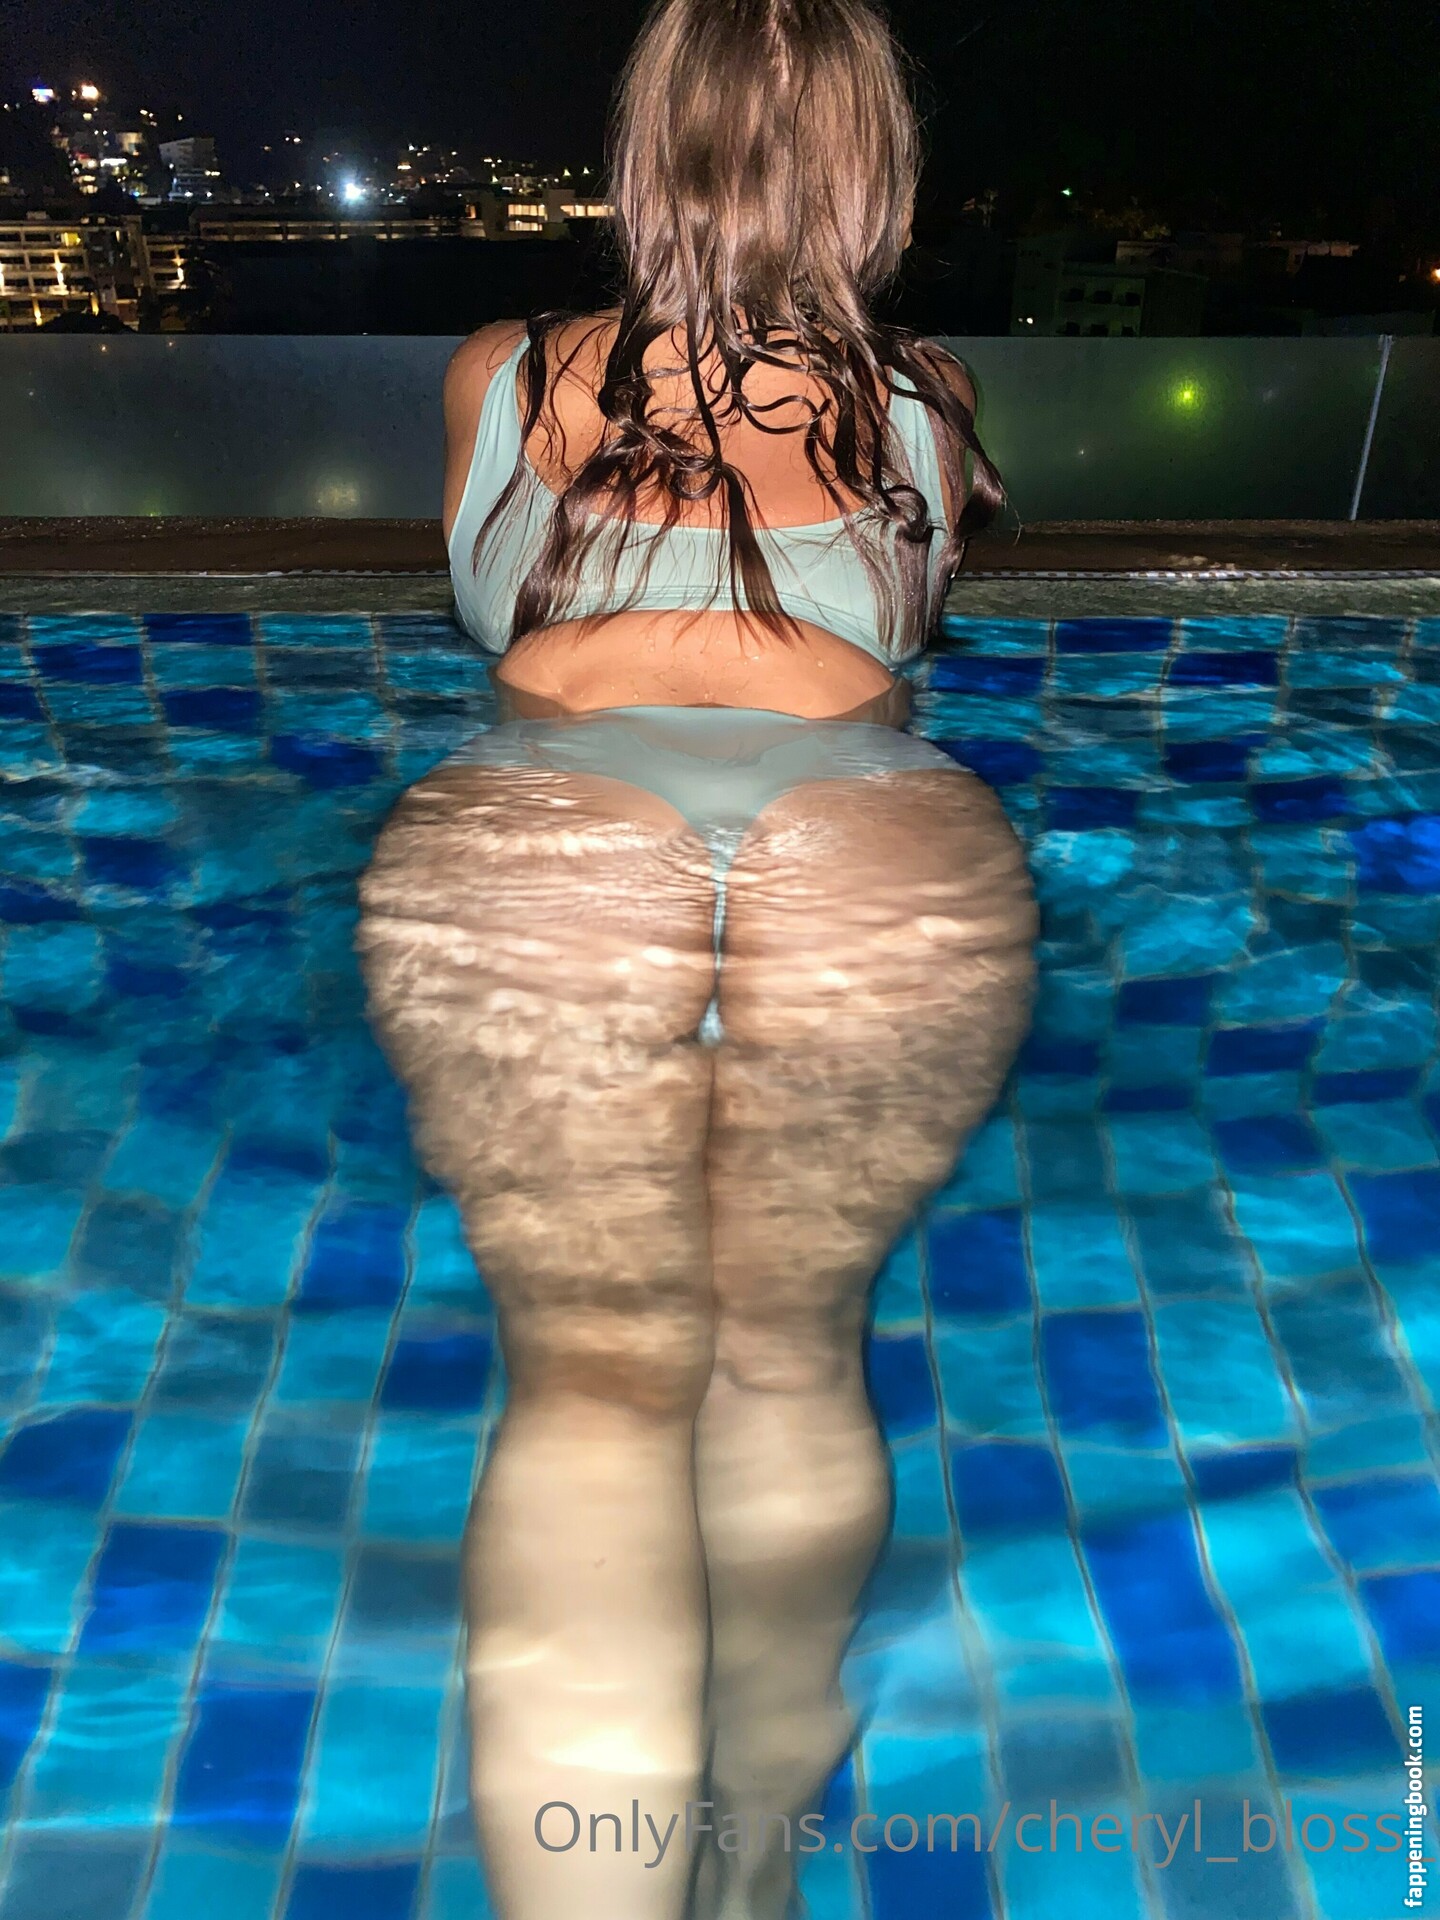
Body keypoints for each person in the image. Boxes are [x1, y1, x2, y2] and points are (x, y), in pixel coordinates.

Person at [356, 2, 1037, 1914]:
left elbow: (486, 589)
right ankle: (750, 1855)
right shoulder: (931, 403)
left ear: (644, 147)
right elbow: (916, 610)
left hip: (555, 809)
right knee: (791, 1357)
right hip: (862, 811)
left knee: (594, 1381)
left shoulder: (503, 376)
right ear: (878, 168)